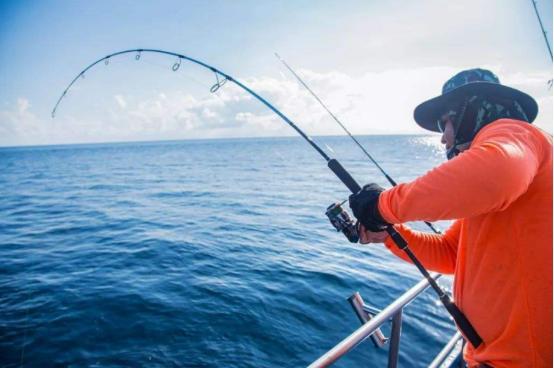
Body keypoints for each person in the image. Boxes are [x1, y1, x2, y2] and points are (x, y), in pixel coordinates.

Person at [349, 69, 552, 367]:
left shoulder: (515, 132)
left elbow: (494, 175)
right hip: (482, 354)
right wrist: (390, 234)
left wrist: (381, 206)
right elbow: (451, 254)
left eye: (445, 123)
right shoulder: (512, 168)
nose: (443, 139)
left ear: (472, 111)